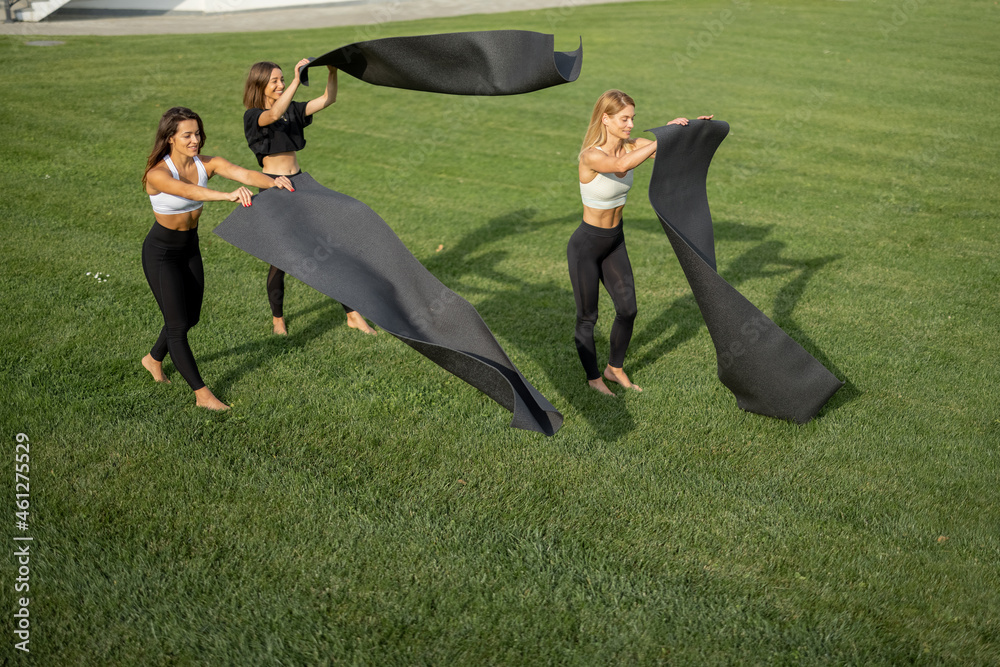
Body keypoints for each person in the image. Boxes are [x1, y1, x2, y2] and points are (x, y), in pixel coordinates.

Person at [141, 106, 294, 410]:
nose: (195, 139)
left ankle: (152, 358)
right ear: (171, 137)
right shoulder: (158, 173)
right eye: (187, 135)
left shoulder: (206, 163)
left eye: (197, 133)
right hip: (161, 254)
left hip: (189, 248)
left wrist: (273, 181)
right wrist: (227, 196)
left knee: (191, 317)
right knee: (176, 325)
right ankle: (202, 395)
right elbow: (188, 192)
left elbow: (245, 173)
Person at [570, 89, 712, 395]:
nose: (631, 124)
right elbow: (622, 167)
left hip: (614, 240)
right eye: (624, 118)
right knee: (587, 316)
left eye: (633, 118)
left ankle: (613, 368)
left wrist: (689, 130)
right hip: (586, 246)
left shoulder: (633, 146)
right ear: (606, 119)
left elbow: (674, 151)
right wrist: (661, 139)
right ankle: (594, 378)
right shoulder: (591, 155)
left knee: (628, 309)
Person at [243, 58, 376, 336]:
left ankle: (351, 313)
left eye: (282, 80)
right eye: (275, 81)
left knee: (328, 248)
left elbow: (328, 99)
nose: (280, 85)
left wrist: (332, 71)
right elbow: (273, 115)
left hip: (299, 184)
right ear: (260, 86)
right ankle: (277, 318)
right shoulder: (254, 116)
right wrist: (295, 79)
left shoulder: (292, 110)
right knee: (280, 258)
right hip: (273, 190)